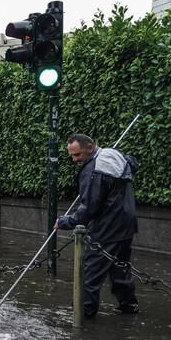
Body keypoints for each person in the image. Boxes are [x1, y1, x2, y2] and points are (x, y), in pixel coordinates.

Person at [54, 134, 140, 318]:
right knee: (120, 269)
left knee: (90, 273)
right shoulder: (115, 156)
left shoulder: (93, 170)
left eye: (77, 155)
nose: (75, 159)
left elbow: (90, 208)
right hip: (126, 225)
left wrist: (65, 221)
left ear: (90, 148)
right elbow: (133, 163)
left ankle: (82, 314)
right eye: (72, 155)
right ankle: (129, 308)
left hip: (106, 229)